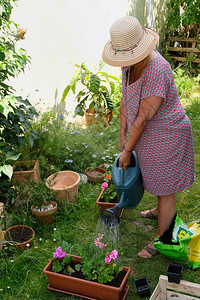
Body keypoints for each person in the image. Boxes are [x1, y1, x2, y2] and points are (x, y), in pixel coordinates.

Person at [102, 16, 195, 258]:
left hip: (168, 134)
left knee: (166, 188)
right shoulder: (129, 63)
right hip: (149, 136)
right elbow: (125, 98)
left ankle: (161, 240)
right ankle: (157, 209)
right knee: (154, 177)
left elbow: (143, 117)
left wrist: (126, 150)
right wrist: (122, 136)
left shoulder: (157, 69)